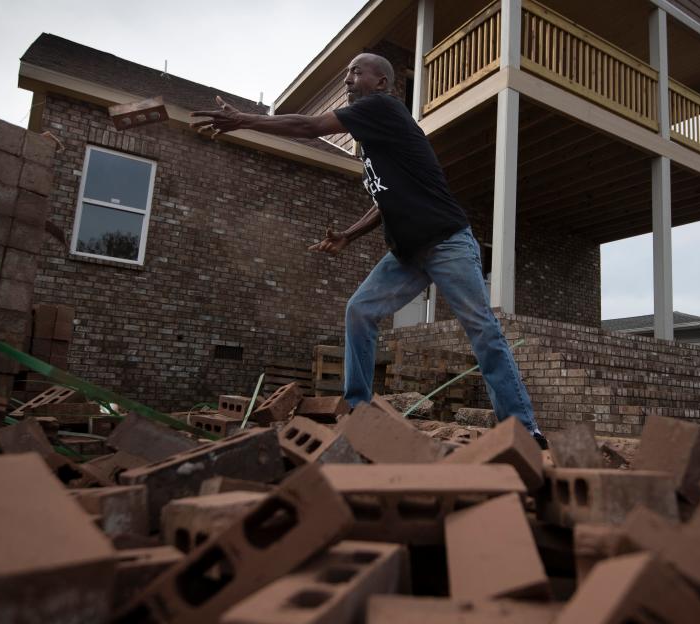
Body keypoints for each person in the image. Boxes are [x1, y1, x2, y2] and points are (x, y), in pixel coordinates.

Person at [191, 53, 547, 448]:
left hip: (446, 240)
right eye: (346, 73)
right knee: (360, 310)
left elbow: (309, 126)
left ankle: (523, 430)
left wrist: (245, 120)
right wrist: (348, 234)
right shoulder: (375, 145)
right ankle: (359, 410)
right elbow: (383, 202)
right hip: (407, 254)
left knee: (481, 328)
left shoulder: (383, 108)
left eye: (356, 72)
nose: (348, 79)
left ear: (381, 83)